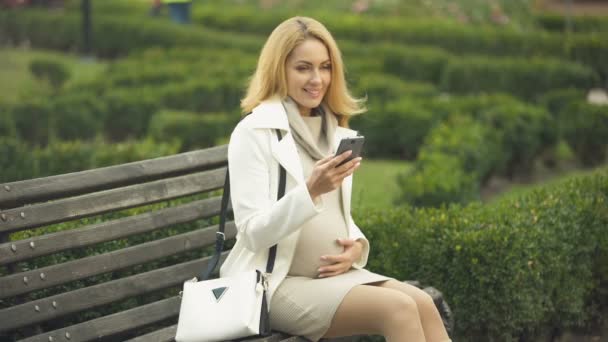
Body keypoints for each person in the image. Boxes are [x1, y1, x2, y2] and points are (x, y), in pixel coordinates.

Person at [220, 16, 451, 342]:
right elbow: (252, 233)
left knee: (423, 303)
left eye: (325, 67)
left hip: (331, 278)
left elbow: (336, 215)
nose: (317, 79)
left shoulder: (335, 131)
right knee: (397, 308)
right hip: (274, 283)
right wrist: (311, 190)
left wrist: (356, 246)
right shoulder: (254, 133)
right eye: (303, 68)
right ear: (278, 69)